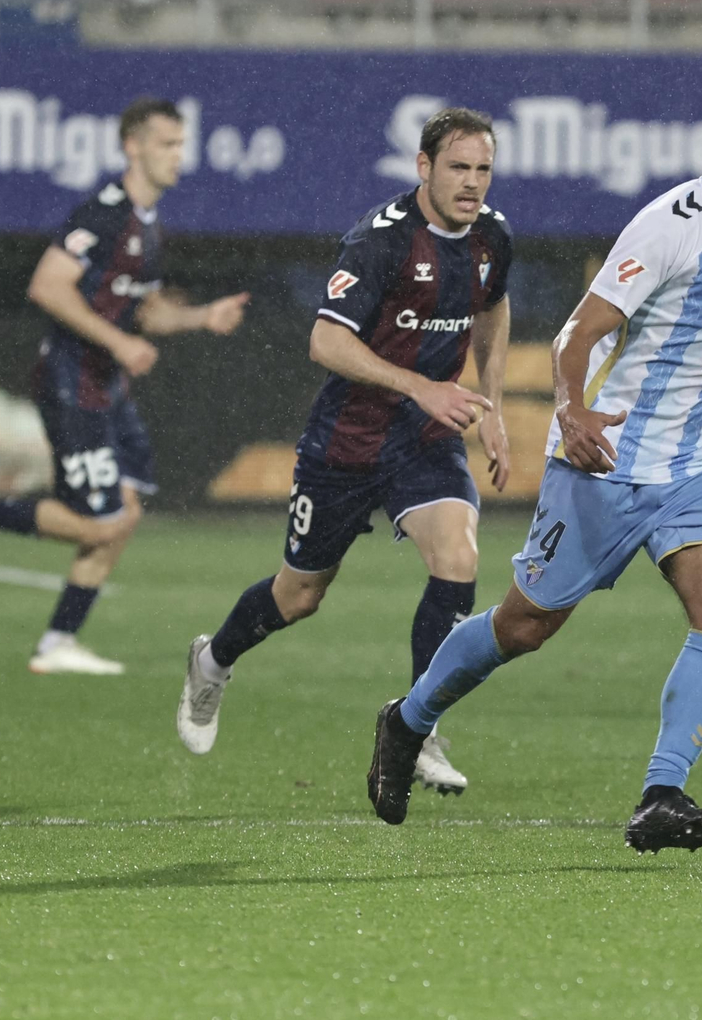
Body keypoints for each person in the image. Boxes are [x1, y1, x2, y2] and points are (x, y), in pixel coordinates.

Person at [363, 83, 702, 852]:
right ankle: (407, 721)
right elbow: (577, 333)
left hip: (693, 468)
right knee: (525, 625)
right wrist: (569, 411)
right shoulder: (670, 228)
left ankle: (661, 796)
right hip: (604, 456)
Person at [177, 107, 513, 797]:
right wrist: (420, 384)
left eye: (482, 169)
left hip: (425, 441)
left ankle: (417, 731)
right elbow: (325, 342)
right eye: (458, 167)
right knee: (298, 596)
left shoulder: (492, 238)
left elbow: (492, 307)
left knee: (458, 556)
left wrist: (495, 406)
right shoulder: (381, 241)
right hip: (348, 443)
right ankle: (213, 660)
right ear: (423, 167)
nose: (472, 182)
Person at [0, 97, 247, 675]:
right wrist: (116, 342)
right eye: (166, 144)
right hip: (72, 380)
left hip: (107, 388)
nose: (178, 155)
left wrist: (201, 317)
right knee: (99, 523)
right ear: (133, 146)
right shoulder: (104, 213)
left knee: (124, 512)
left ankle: (58, 642)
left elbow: (148, 313)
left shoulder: (150, 225)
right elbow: (48, 287)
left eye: (182, 144)